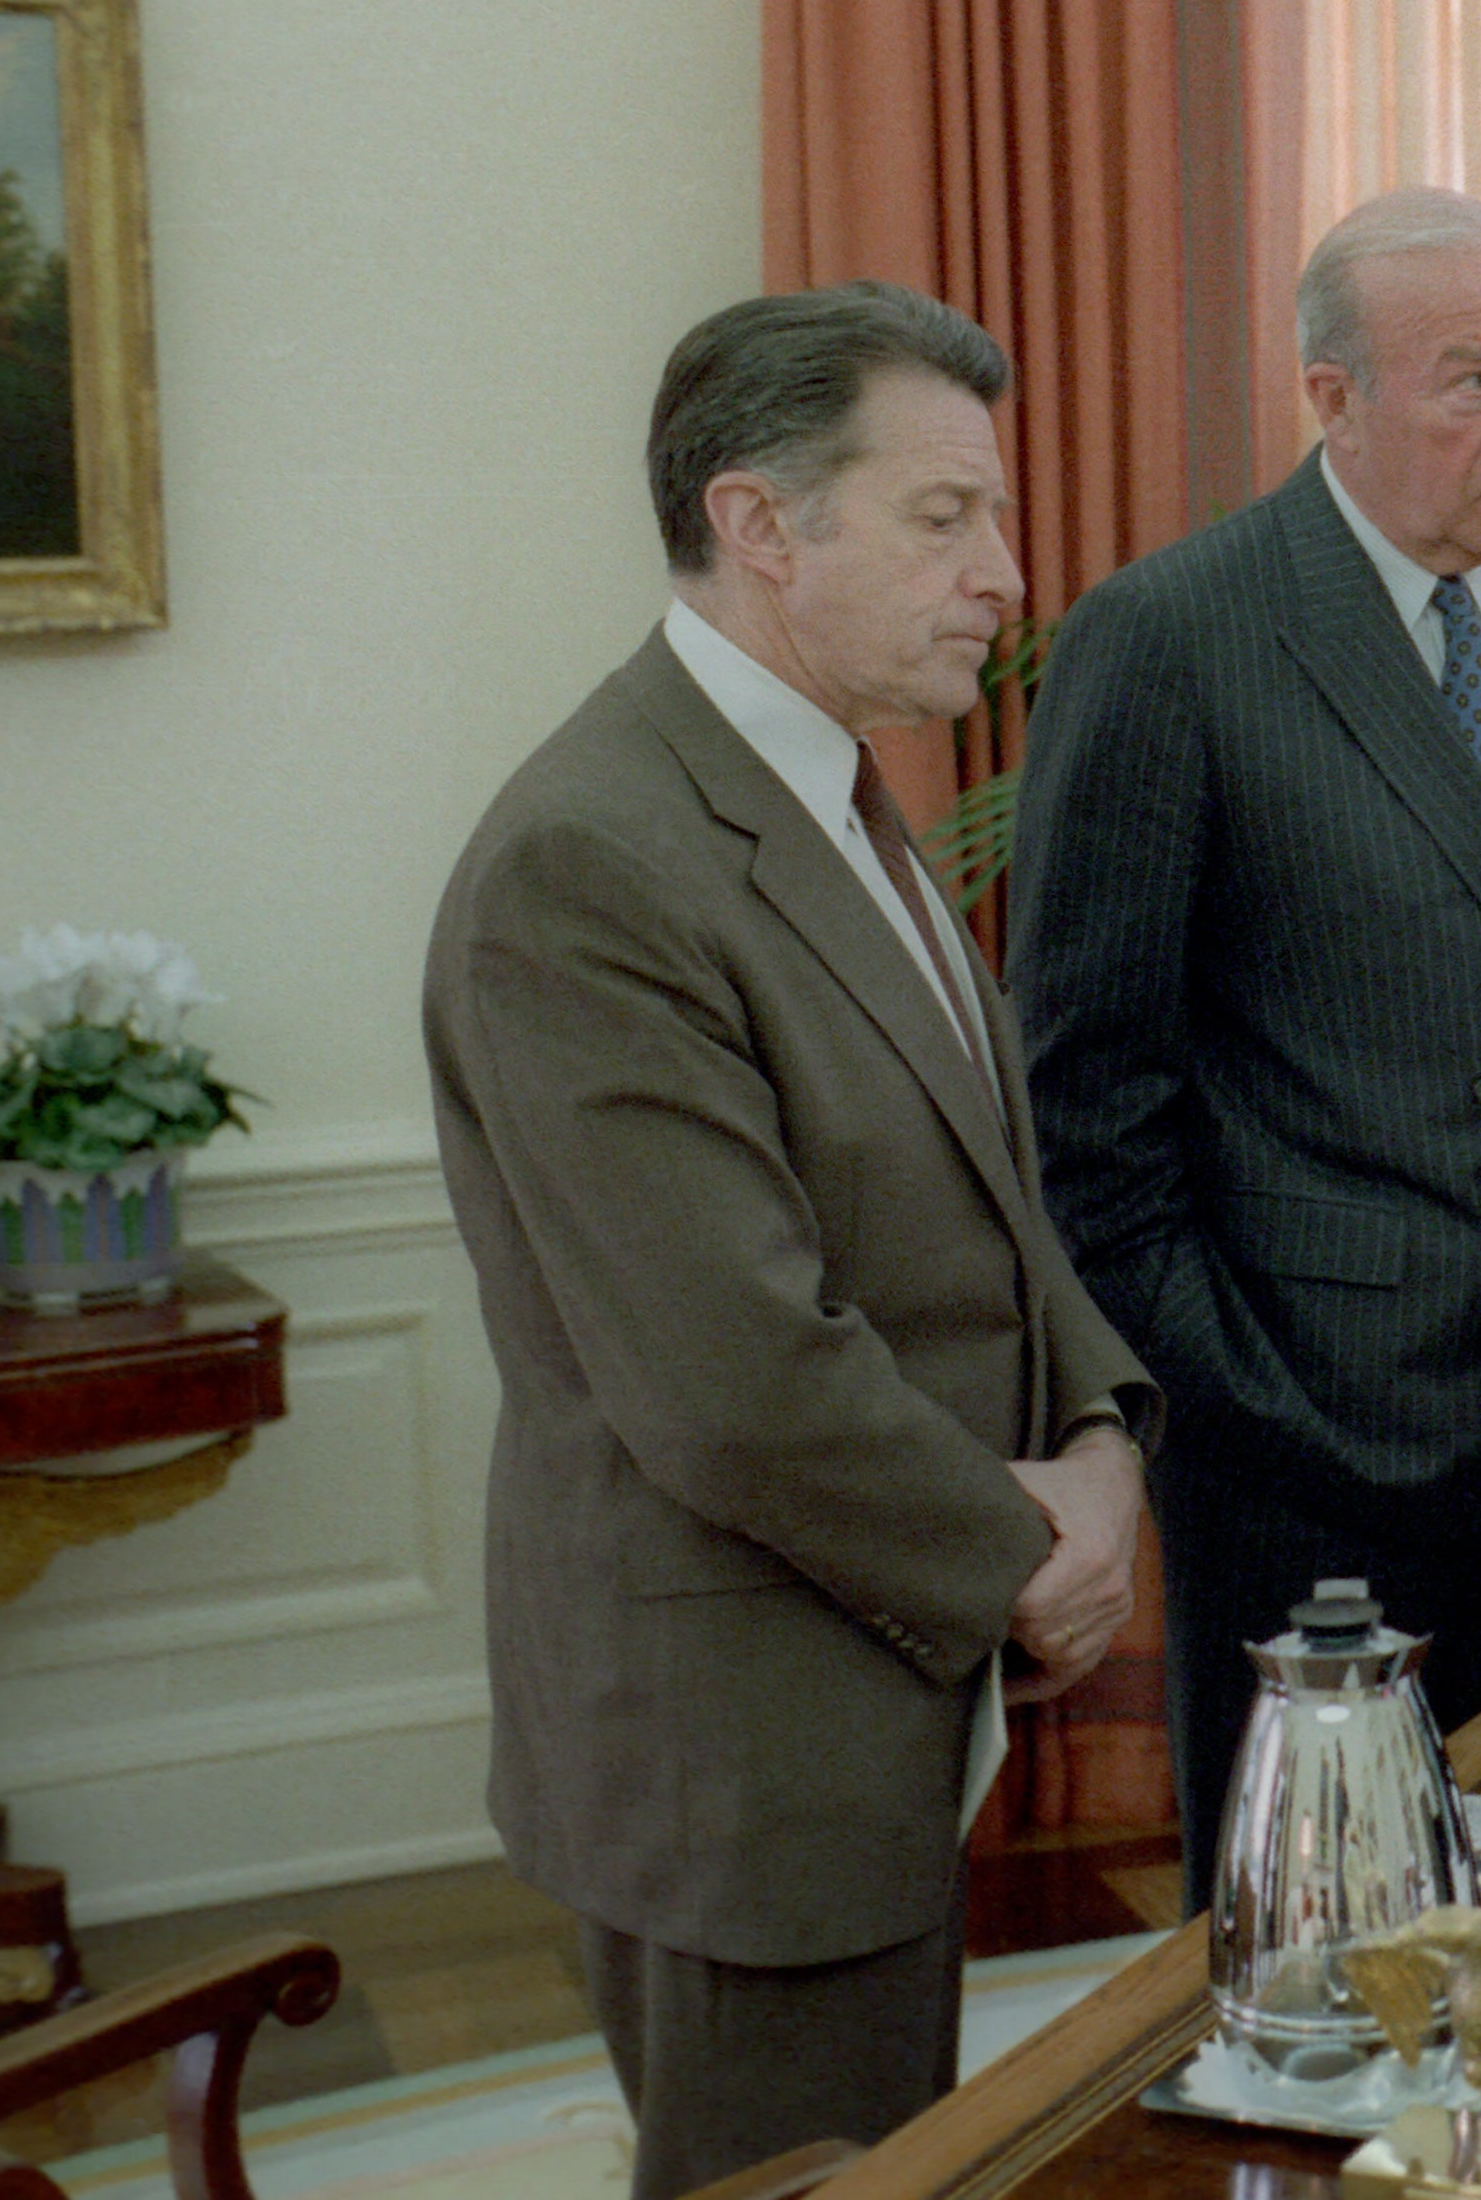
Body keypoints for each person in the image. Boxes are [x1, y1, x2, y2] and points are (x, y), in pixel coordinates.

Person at [423, 283, 1156, 2198]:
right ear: (760, 525)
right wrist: (1028, 1552)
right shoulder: (589, 857)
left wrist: (1099, 1436)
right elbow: (732, 1377)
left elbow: (995, 1182)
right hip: (734, 1754)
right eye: (944, 516)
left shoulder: (820, 784)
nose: (1006, 570)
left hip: (864, 1697)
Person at [1009, 188, 1481, 1890]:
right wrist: (1245, 1404)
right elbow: (1089, 1108)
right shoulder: (1176, 637)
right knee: (1326, 1980)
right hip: (1311, 1468)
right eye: (1469, 381)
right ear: (1328, 395)